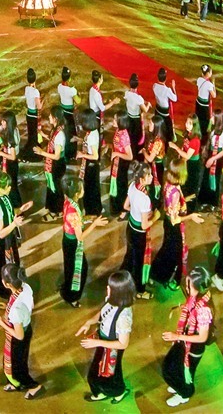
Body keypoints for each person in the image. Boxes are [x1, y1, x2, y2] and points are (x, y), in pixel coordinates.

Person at [77, 270, 135, 404]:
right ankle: (103, 392)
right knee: (104, 373)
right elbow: (103, 312)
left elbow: (123, 344)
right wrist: (89, 322)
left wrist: (97, 343)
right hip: (103, 343)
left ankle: (117, 392)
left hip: (111, 348)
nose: (107, 289)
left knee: (105, 376)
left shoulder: (123, 317)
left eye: (111, 288)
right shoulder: (112, 301)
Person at [160, 266, 214, 407]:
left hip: (192, 347)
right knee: (173, 367)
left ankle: (184, 393)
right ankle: (179, 386)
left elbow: (202, 337)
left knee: (178, 371)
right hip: (185, 340)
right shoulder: (198, 299)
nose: (187, 288)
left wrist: (176, 336)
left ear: (198, 287)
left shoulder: (203, 309)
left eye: (189, 285)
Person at [150, 159, 205, 289]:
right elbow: (175, 219)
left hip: (167, 222)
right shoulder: (174, 192)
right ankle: (166, 277)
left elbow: (169, 205)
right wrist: (191, 216)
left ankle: (155, 274)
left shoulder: (169, 183)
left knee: (167, 249)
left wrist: (184, 200)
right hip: (173, 226)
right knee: (174, 253)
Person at [0, 263, 44, 399]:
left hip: (18, 337)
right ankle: (15, 383)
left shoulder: (16, 310)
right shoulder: (25, 287)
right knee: (16, 361)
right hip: (25, 326)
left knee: (17, 367)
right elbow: (28, 305)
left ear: (7, 284)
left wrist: (1, 322)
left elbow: (19, 336)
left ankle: (33, 386)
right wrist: (7, 307)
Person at [61, 176, 109, 307]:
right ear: (77, 193)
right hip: (73, 244)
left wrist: (86, 219)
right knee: (78, 270)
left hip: (67, 240)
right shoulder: (73, 212)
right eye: (82, 189)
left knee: (70, 268)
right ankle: (72, 297)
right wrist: (94, 224)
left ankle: (67, 290)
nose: (84, 190)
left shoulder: (68, 201)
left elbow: (75, 222)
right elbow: (80, 236)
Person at [0, 171, 34, 298]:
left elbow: (10, 211)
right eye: (8, 186)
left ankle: (15, 284)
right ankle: (6, 291)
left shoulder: (5, 196)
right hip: (3, 242)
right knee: (6, 268)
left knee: (14, 263)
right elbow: (1, 233)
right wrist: (14, 223)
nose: (10, 188)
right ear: (1, 188)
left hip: (10, 237)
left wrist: (21, 209)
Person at [120, 162, 159, 299]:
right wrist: (155, 217)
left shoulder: (132, 186)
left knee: (130, 256)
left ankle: (121, 278)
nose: (152, 177)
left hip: (130, 227)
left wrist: (137, 212)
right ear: (142, 179)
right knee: (139, 263)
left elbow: (126, 206)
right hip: (139, 234)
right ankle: (140, 291)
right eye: (149, 175)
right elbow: (144, 225)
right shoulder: (144, 198)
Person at [34, 105, 67, 221]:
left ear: (55, 118)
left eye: (50, 116)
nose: (49, 118)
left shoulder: (60, 134)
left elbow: (56, 156)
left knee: (55, 189)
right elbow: (52, 141)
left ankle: (56, 211)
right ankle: (56, 209)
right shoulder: (55, 130)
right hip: (54, 165)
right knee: (53, 187)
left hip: (56, 165)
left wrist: (41, 152)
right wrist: (43, 135)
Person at [75, 108, 103, 216]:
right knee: (93, 188)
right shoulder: (92, 132)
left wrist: (82, 155)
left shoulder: (91, 136)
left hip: (91, 165)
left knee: (90, 190)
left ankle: (92, 212)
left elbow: (95, 156)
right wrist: (80, 140)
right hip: (91, 165)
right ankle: (95, 210)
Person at [108, 114, 134, 217]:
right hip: (116, 163)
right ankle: (116, 208)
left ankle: (123, 210)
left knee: (121, 187)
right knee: (116, 185)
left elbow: (130, 156)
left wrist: (116, 154)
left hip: (121, 165)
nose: (113, 121)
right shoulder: (118, 130)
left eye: (115, 119)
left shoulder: (123, 135)